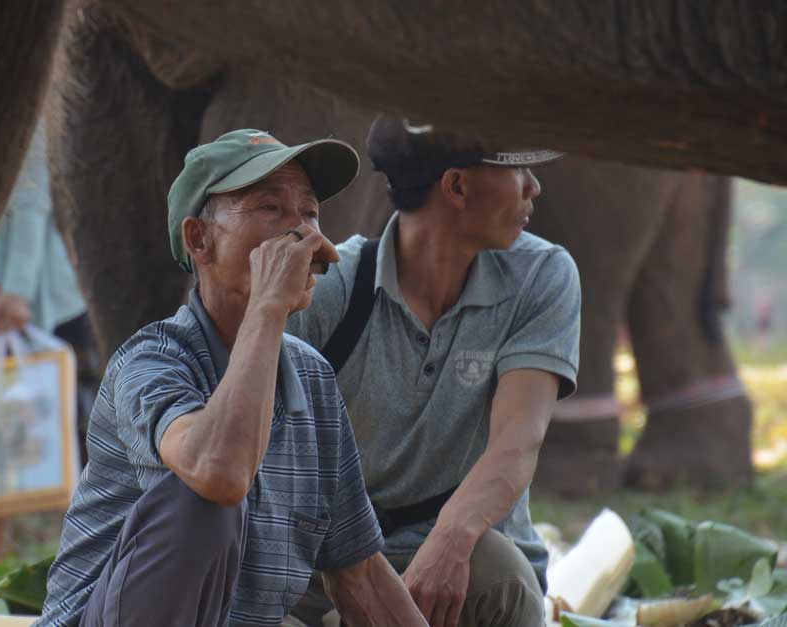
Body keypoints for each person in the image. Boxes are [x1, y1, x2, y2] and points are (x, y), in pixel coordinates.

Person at [38, 129, 427, 627]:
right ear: (200, 239)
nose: (306, 236)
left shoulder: (312, 377)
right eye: (270, 209)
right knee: (205, 502)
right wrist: (267, 305)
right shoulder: (153, 360)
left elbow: (362, 575)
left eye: (309, 214)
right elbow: (218, 473)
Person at [285, 116, 581, 627]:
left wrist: (450, 541)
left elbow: (518, 441)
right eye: (518, 171)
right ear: (458, 186)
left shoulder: (542, 277)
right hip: (331, 563)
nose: (535, 187)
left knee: (503, 573)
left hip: (464, 556)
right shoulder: (333, 287)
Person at [0, 120, 98, 560]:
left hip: (28, 300)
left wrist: (15, 292)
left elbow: (31, 204)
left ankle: (82, 566)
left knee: (64, 443)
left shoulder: (29, 113)